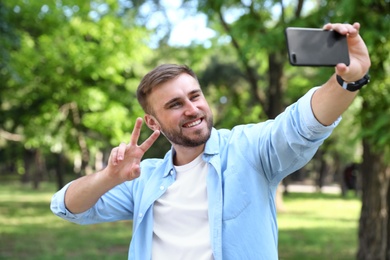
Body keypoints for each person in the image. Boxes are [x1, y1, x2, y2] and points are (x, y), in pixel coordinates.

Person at [51, 22, 371, 259]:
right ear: (152, 122)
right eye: (175, 104)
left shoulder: (249, 150)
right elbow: (67, 208)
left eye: (195, 96)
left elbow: (301, 124)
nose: (193, 109)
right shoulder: (143, 179)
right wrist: (109, 177)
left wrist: (348, 80)